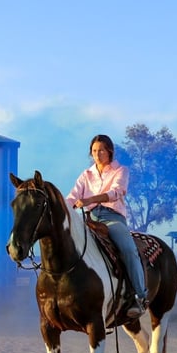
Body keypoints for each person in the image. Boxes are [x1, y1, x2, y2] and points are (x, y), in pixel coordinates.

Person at [65, 134, 147, 318]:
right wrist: (59, 206)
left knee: (128, 249)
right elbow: (72, 196)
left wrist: (90, 199)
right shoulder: (86, 175)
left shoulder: (121, 170)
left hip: (113, 217)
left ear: (109, 151)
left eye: (101, 150)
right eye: (94, 151)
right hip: (90, 217)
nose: (97, 154)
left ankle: (140, 296)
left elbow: (116, 192)